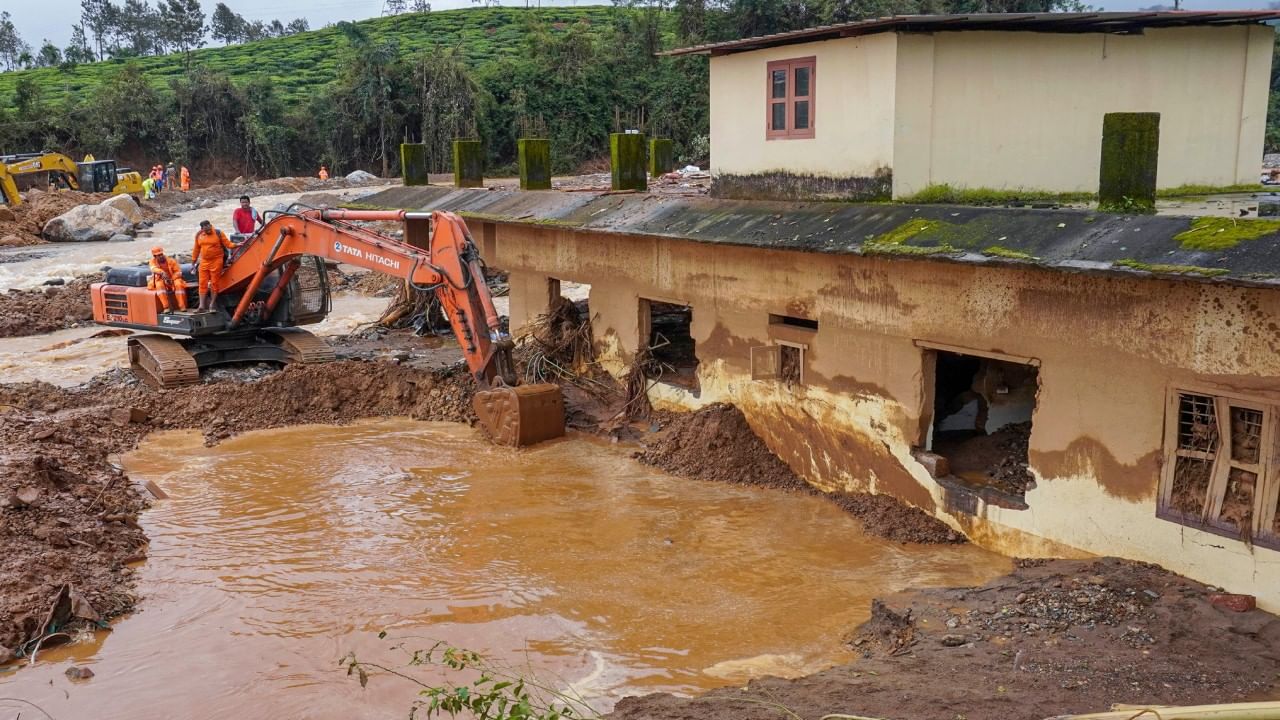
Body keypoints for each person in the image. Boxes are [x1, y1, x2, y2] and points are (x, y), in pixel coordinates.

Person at [192, 220, 236, 312]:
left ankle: (212, 305)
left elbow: (227, 244)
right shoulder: (199, 235)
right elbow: (196, 249)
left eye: (209, 227)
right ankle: (201, 306)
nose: (208, 230)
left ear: (211, 225)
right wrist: (193, 261)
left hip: (216, 260)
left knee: (214, 283)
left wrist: (236, 245)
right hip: (204, 261)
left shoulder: (218, 233)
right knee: (202, 283)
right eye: (206, 229)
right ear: (202, 229)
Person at [147, 246, 188, 311]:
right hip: (160, 279)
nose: (160, 256)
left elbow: (178, 272)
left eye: (161, 254)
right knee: (159, 286)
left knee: (178, 284)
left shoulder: (171, 261)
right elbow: (153, 269)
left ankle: (182, 306)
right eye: (158, 255)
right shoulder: (152, 262)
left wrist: (172, 279)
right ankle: (166, 307)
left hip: (173, 279)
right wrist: (162, 272)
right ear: (155, 256)